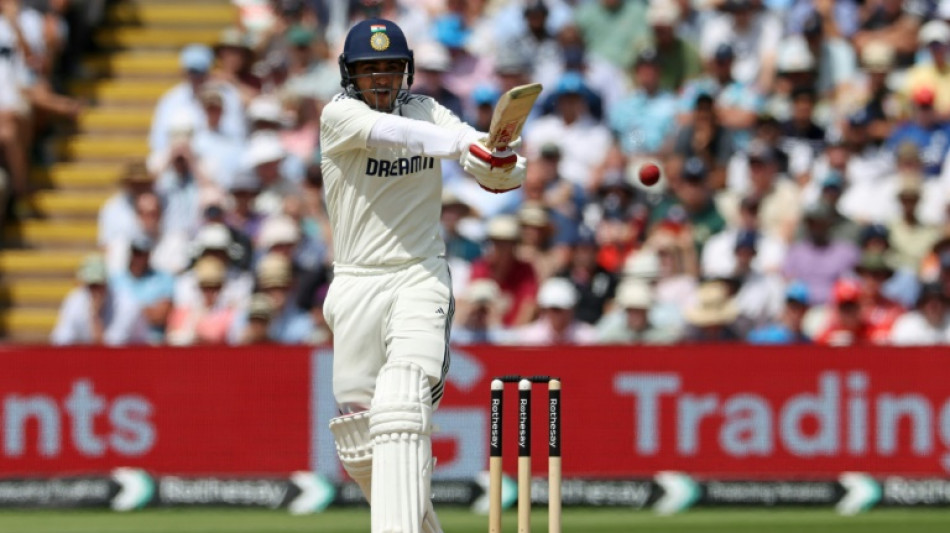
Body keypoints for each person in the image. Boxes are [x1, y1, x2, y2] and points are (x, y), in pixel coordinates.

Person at [319, 19, 526, 533]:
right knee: (360, 435)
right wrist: (464, 147)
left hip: (418, 276)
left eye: (391, 68)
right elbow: (397, 134)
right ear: (350, 76)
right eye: (370, 70)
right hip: (356, 281)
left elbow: (481, 155)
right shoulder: (339, 115)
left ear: (406, 71)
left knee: (403, 399)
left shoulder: (426, 110)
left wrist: (500, 162)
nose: (381, 79)